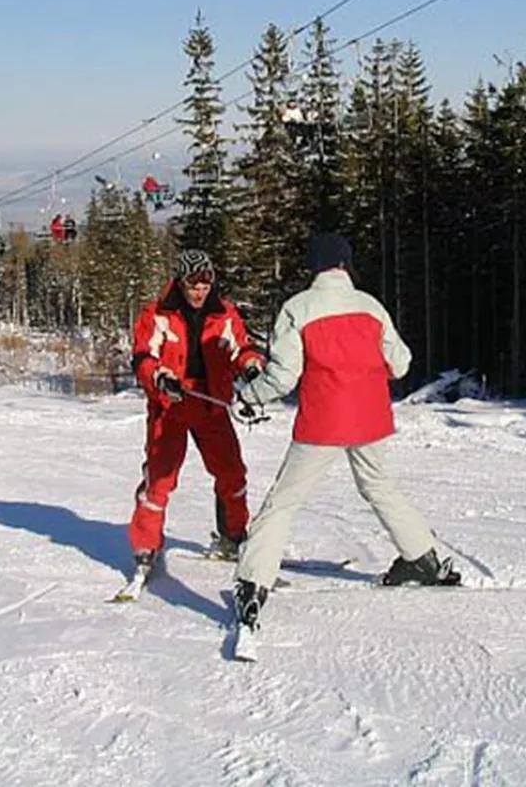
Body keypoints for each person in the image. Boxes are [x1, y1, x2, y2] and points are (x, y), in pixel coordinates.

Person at [231, 233, 461, 636]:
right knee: (379, 487)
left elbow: (284, 376)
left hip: (324, 420)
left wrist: (250, 396)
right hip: (370, 417)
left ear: (313, 266)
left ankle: (253, 585)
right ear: (346, 264)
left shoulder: (297, 308)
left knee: (283, 503)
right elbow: (402, 363)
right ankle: (423, 558)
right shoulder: (370, 306)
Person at [127, 249, 266, 577]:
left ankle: (234, 534)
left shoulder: (224, 314)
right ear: (181, 281)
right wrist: (160, 377)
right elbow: (143, 355)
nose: (200, 291)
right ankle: (146, 545)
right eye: (193, 284)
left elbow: (240, 348)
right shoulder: (159, 314)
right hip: (171, 403)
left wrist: (250, 366)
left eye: (206, 283)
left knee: (232, 473)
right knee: (160, 478)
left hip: (211, 403)